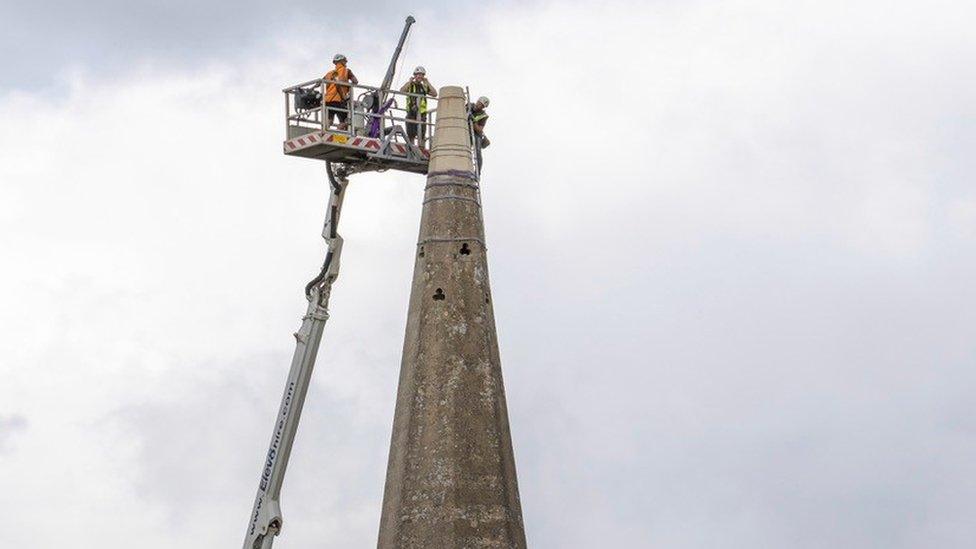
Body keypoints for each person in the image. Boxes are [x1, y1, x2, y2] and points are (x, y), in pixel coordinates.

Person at [400, 66, 437, 148]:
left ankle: (421, 149)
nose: (420, 76)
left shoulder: (424, 87)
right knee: (411, 134)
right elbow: (402, 90)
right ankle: (411, 148)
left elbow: (434, 94)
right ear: (415, 75)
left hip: (422, 114)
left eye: (421, 75)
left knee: (422, 135)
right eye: (418, 74)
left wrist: (427, 82)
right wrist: (409, 81)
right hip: (411, 113)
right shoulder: (410, 85)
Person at [323, 53, 359, 130]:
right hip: (339, 98)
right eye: (345, 61)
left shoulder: (329, 73)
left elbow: (319, 82)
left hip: (328, 100)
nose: (346, 63)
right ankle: (336, 132)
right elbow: (355, 81)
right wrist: (349, 86)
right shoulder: (347, 71)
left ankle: (324, 132)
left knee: (329, 119)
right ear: (342, 61)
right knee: (344, 121)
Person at [469, 96, 490, 170]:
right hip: (466, 130)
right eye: (479, 103)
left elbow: (479, 129)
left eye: (482, 105)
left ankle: (478, 171)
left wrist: (473, 121)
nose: (479, 105)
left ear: (483, 107)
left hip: (476, 134)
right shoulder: (469, 105)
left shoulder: (483, 115)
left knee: (477, 151)